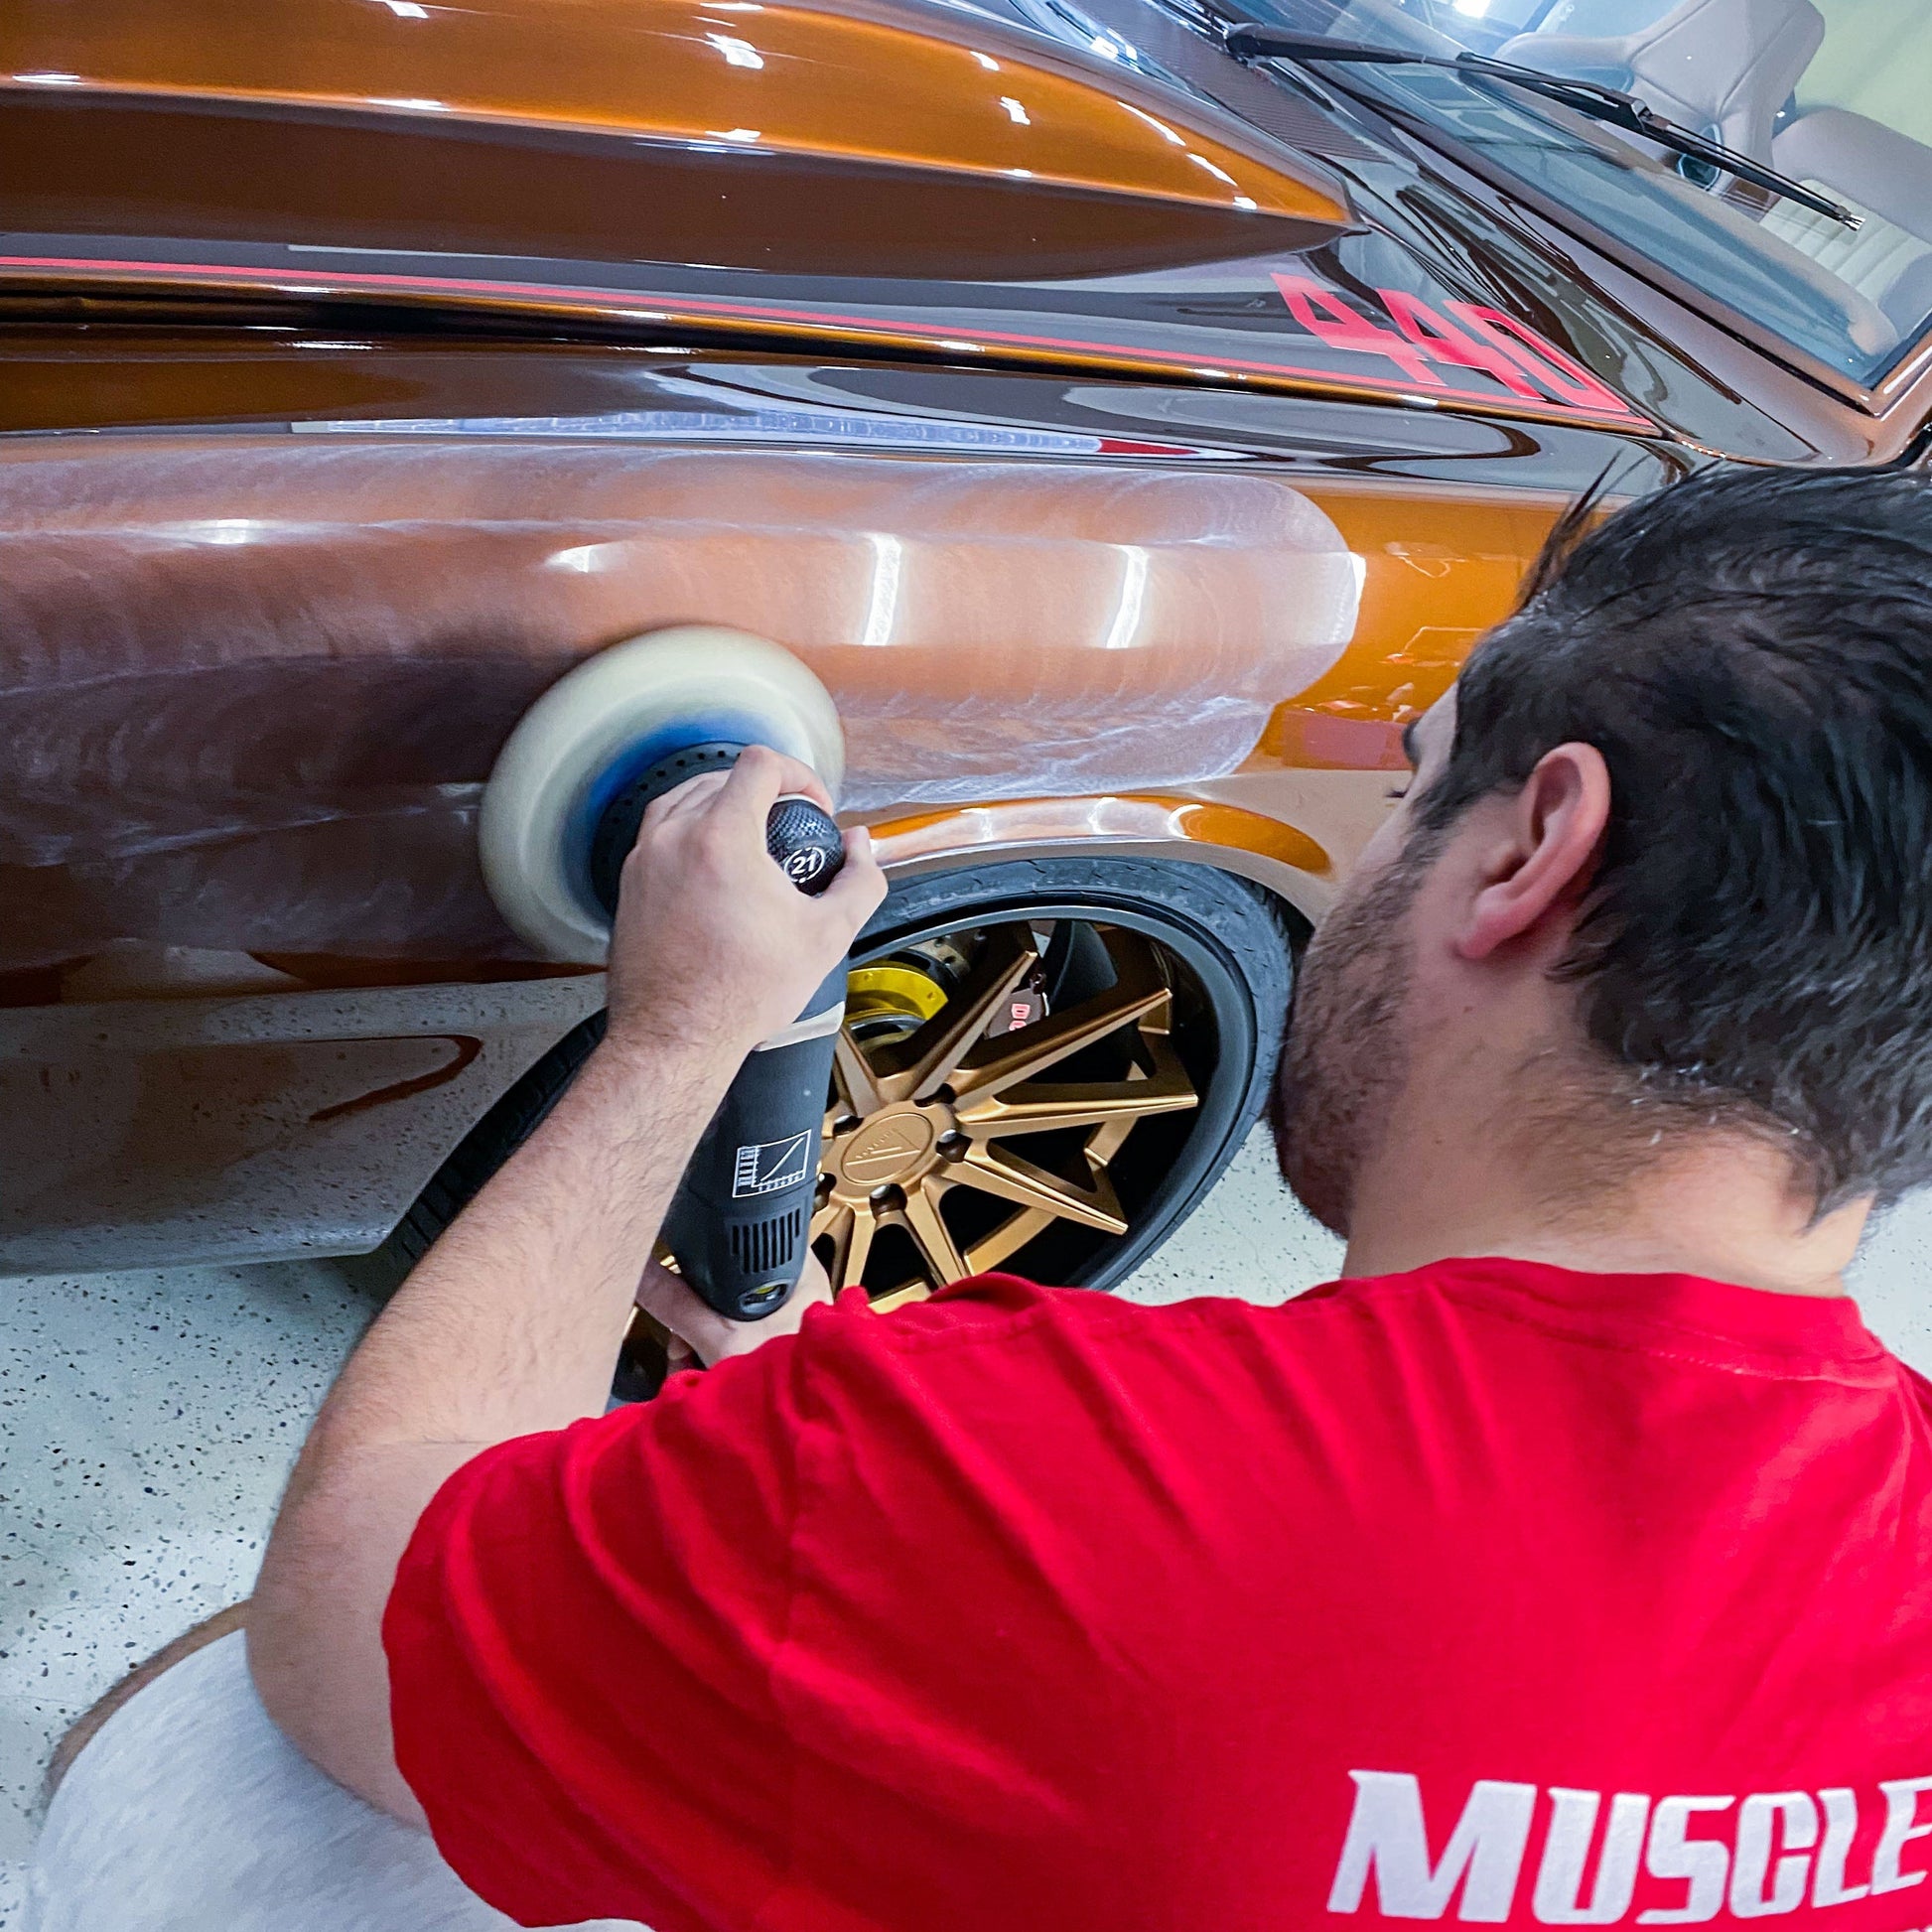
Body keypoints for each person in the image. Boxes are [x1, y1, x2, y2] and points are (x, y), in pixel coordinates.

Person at [36, 463, 1932, 1930]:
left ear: (1530, 849)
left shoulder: (1040, 1480)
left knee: (216, 1750)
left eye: (1413, 787)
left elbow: (354, 1630)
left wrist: (676, 1039)